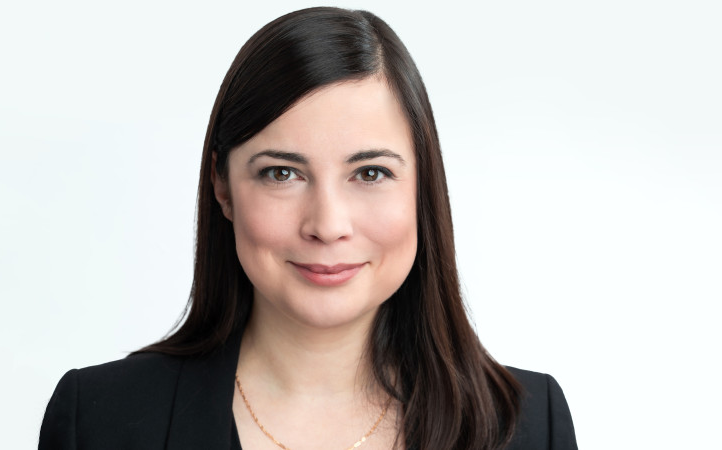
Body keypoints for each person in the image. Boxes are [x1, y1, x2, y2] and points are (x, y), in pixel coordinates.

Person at [39, 7, 577, 450]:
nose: (327, 224)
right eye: (282, 173)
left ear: (423, 186)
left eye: (371, 173)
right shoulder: (100, 421)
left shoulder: (529, 427)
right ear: (222, 186)